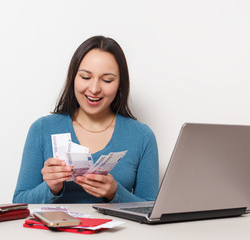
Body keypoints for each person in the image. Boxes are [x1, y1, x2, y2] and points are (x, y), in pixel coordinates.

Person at [13, 36, 159, 204]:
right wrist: (51, 187)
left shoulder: (142, 136)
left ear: (120, 84)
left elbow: (151, 208)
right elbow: (19, 203)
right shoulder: (42, 129)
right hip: (56, 230)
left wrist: (114, 193)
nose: (95, 89)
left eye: (107, 80)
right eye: (85, 77)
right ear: (73, 78)